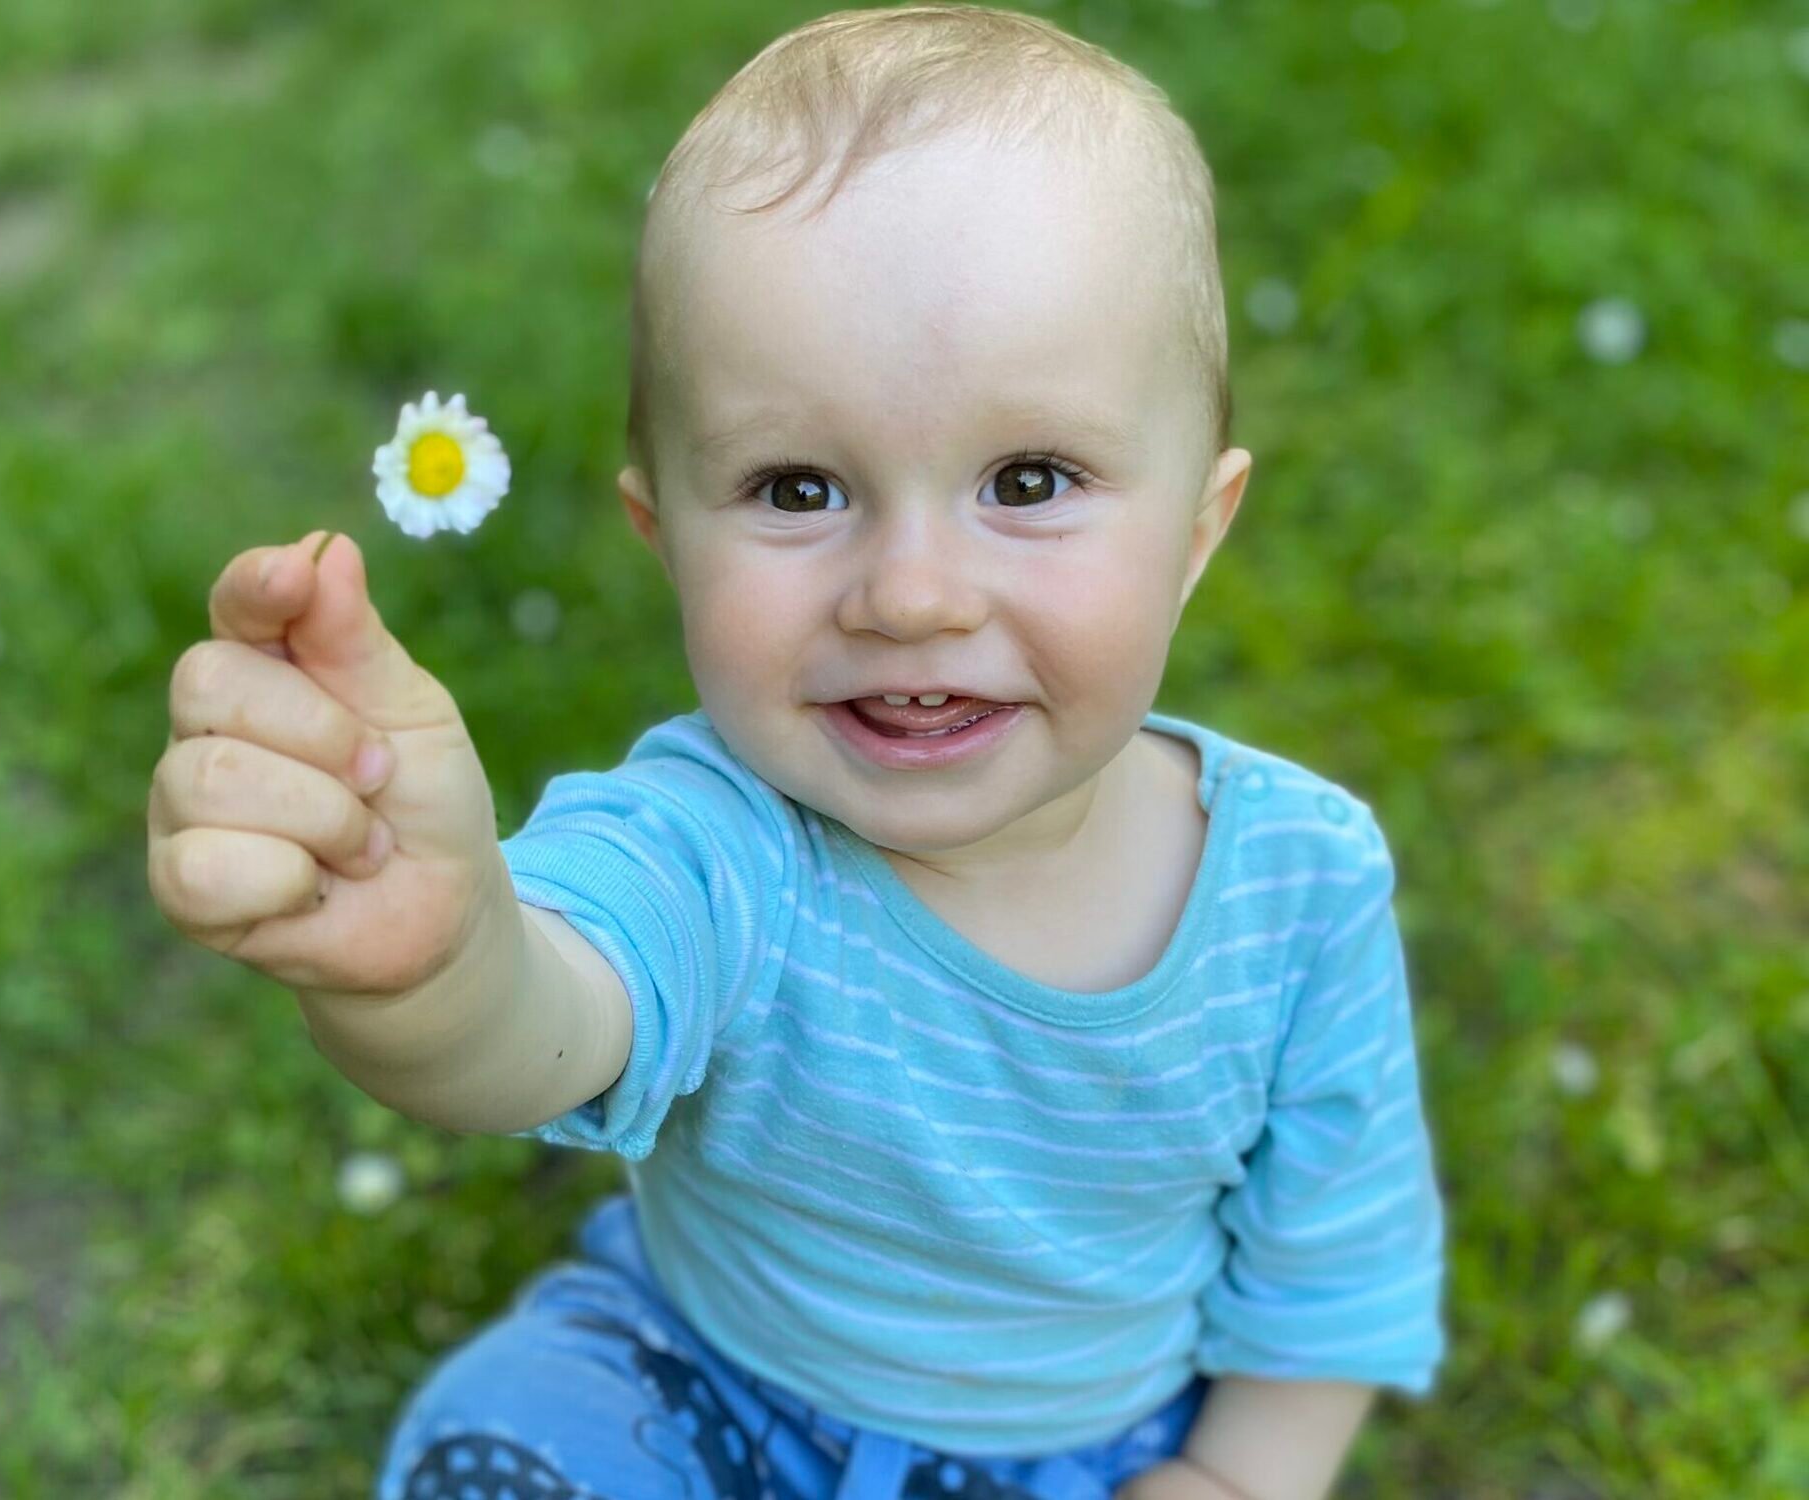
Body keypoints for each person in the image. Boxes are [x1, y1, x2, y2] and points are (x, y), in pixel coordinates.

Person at [145, 7, 1444, 1498]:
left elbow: (1334, 1254)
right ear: (667, 539)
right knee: (513, 1433)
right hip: (702, 1376)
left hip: (1069, 1451)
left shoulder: (1300, 885)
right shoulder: (720, 838)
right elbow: (545, 1019)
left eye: (1028, 481)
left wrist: (1238, 1481)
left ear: (1197, 532)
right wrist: (439, 962)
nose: (910, 595)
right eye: (798, 486)